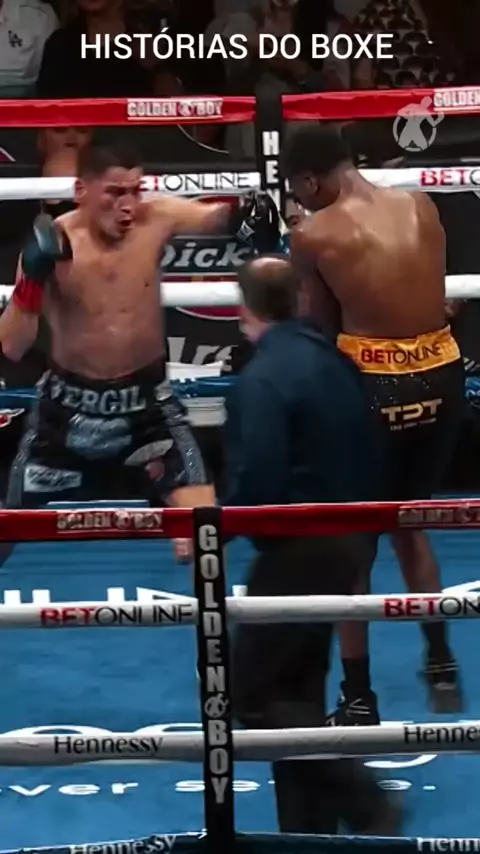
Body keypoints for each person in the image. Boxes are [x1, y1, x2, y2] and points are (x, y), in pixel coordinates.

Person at [281, 124, 465, 721]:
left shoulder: (314, 234)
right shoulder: (420, 203)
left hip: (375, 385)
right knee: (412, 521)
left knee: (351, 541)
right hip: (442, 375)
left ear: (310, 181)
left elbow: (318, 329)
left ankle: (358, 696)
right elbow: (430, 296)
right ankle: (441, 660)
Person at [1, 143, 279, 520]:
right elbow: (13, 345)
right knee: (9, 526)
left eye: (135, 190)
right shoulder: (56, 242)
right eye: (115, 193)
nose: (128, 205)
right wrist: (31, 280)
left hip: (148, 409)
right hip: (66, 412)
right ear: (81, 191)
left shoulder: (156, 217)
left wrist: (246, 215)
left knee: (204, 527)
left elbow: (215, 216)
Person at [226, 255, 401, 836]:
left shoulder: (263, 379)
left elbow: (261, 482)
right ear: (299, 299)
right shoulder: (336, 360)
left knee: (252, 696)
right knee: (296, 689)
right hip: (346, 540)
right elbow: (375, 444)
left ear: (245, 309)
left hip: (298, 548)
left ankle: (365, 803)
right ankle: (307, 831)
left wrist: (221, 525)